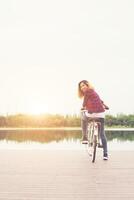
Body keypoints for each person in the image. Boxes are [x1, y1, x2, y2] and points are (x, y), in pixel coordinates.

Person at [78, 80, 109, 160]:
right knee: (102, 133)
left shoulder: (87, 92)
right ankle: (105, 154)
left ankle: (84, 137)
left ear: (87, 85)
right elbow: (100, 101)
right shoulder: (94, 92)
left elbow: (84, 104)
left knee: (83, 118)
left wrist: (83, 107)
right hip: (101, 115)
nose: (82, 88)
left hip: (91, 114)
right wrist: (105, 106)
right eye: (81, 86)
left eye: (83, 85)